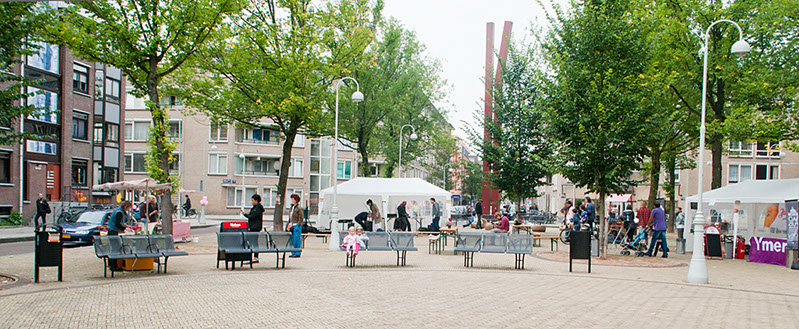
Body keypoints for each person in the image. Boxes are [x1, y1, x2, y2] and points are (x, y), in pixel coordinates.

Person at [241, 194, 264, 263]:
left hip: (254, 227)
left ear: (256, 201)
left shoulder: (257, 208)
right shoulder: (256, 207)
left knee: (253, 242)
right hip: (255, 227)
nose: (252, 202)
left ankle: (254, 257)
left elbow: (252, 217)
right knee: (254, 242)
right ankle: (255, 257)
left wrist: (245, 214)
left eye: (253, 200)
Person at [288, 194, 304, 258]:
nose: (292, 200)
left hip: (296, 225)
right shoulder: (292, 207)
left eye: (293, 199)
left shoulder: (299, 208)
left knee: (296, 239)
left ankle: (297, 252)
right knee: (292, 239)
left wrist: (298, 225)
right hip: (291, 225)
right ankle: (293, 252)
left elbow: (301, 218)